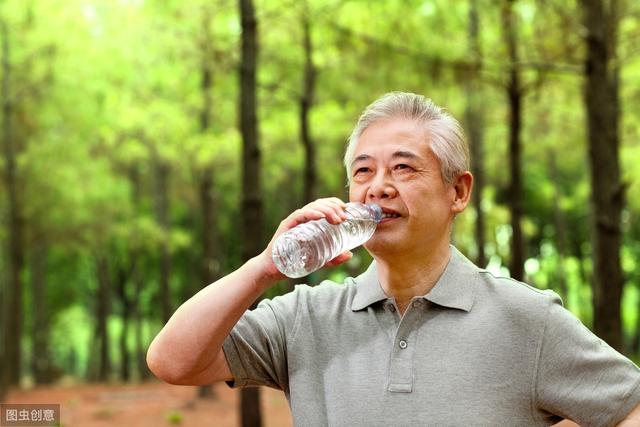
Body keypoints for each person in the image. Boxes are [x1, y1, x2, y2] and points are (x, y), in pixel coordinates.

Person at [147, 92, 640, 426]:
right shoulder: (305, 318)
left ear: (458, 191)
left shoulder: (527, 319)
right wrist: (265, 267)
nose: (378, 186)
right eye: (363, 172)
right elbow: (172, 361)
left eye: (403, 167)